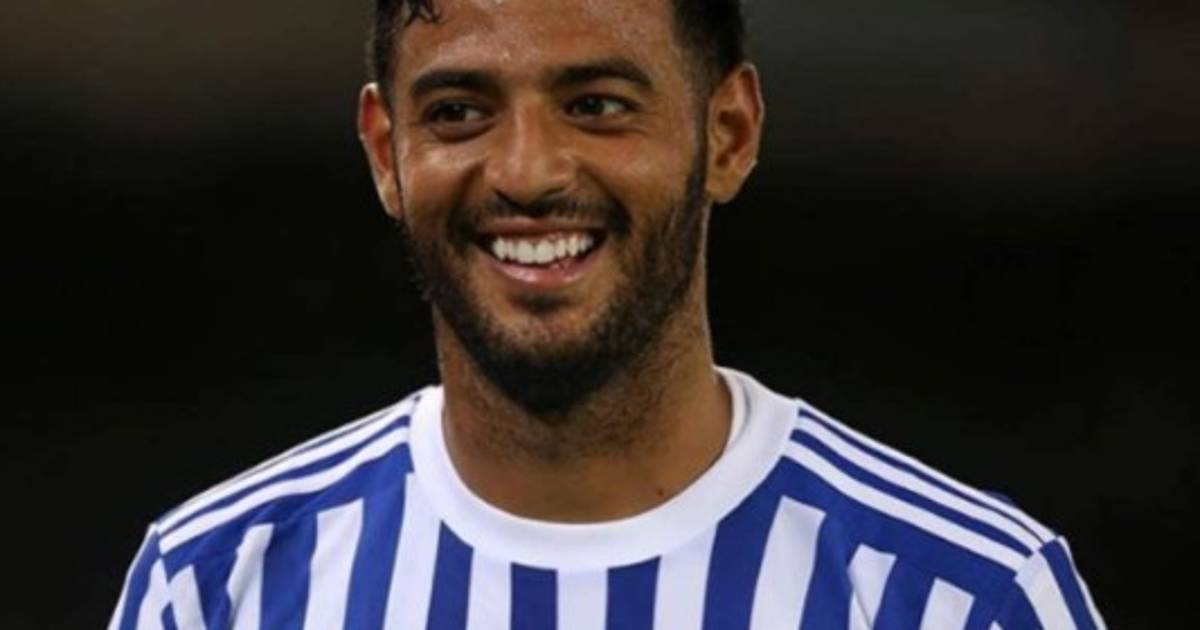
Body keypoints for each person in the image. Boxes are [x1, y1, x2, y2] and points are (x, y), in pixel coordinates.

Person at [109, 0, 1105, 628]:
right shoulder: (217, 587)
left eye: (596, 104)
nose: (528, 172)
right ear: (384, 152)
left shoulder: (963, 596)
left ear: (729, 134)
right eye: (459, 111)